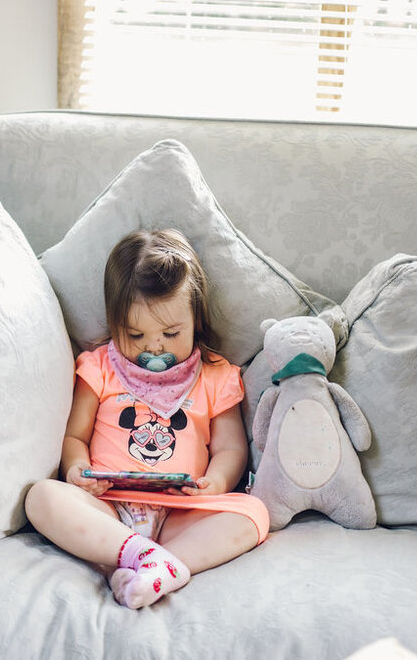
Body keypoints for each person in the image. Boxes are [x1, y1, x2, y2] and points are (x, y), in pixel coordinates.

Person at [25, 229, 269, 609]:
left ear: (195, 319)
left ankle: (149, 567)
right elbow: (75, 437)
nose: (154, 348)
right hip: (108, 505)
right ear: (114, 321)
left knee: (254, 513)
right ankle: (139, 557)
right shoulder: (100, 367)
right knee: (41, 497)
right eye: (135, 335)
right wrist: (77, 470)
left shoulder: (215, 374)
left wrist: (217, 482)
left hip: (179, 512)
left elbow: (231, 446)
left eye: (171, 333)